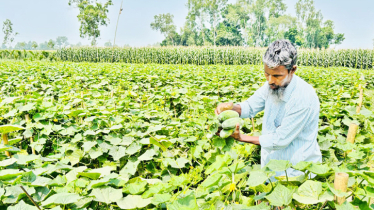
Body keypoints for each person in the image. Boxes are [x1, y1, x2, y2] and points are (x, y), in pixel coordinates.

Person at [215, 39, 322, 179]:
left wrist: (241, 137)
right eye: (267, 74)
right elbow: (250, 106)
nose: (270, 80)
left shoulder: (303, 97)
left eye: (277, 75)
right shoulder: (271, 86)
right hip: (270, 168)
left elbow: (280, 140)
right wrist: (231, 108)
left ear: (292, 70)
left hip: (296, 173)